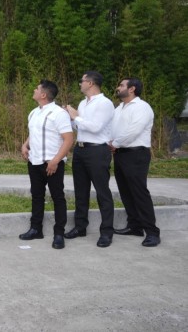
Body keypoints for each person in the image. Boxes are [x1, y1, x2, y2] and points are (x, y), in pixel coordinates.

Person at [19, 80, 74, 250]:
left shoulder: (59, 113)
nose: (34, 90)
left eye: (37, 89)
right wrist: (25, 145)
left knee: (58, 197)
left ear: (43, 94)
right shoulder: (34, 112)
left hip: (52, 163)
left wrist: (56, 161)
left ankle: (59, 233)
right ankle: (36, 229)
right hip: (34, 161)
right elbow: (34, 132)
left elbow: (68, 139)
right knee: (37, 196)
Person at [63, 71, 115, 248]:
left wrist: (76, 116)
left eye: (82, 81)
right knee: (80, 190)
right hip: (81, 149)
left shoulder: (104, 103)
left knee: (102, 191)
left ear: (91, 83)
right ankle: (80, 227)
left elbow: (96, 127)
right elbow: (80, 127)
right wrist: (70, 118)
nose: (80, 84)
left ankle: (106, 232)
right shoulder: (82, 103)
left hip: (97, 150)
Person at [109, 78, 160, 247]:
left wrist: (114, 144)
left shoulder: (142, 107)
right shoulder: (119, 108)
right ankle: (135, 226)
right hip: (120, 153)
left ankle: (152, 232)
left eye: (121, 85)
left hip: (136, 153)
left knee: (139, 192)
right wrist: (111, 142)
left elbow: (134, 131)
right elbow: (112, 129)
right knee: (126, 191)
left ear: (132, 89)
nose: (118, 88)